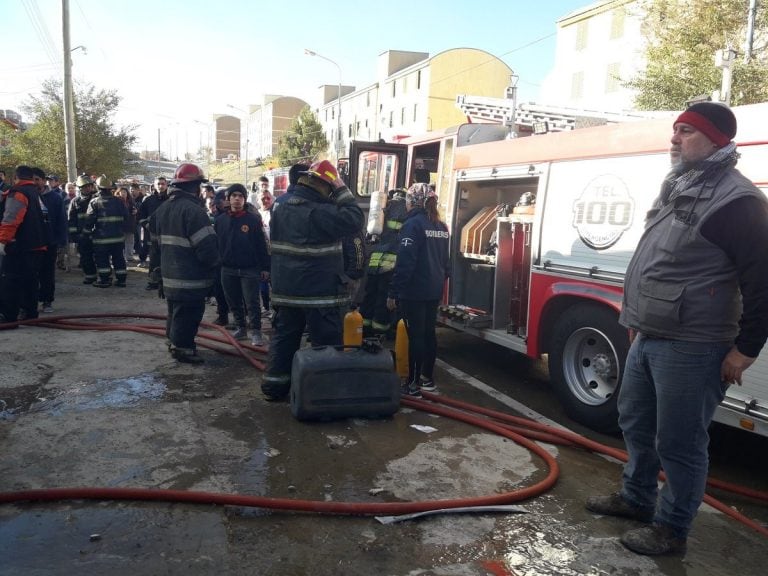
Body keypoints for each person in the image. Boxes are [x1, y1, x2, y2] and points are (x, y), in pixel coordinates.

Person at [585, 102, 768, 556]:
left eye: (685, 131)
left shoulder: (737, 201)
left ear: (716, 140)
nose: (674, 139)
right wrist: (635, 321)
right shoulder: (681, 186)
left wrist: (745, 349)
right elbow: (661, 263)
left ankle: (671, 529)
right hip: (650, 335)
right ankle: (636, 498)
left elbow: (762, 280)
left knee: (680, 444)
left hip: (695, 345)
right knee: (635, 422)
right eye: (675, 130)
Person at [262, 160, 364, 400]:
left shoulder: (280, 206)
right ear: (323, 184)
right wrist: (340, 188)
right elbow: (355, 219)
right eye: (329, 186)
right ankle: (323, 392)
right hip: (320, 293)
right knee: (326, 346)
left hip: (286, 290)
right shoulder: (321, 212)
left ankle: (274, 387)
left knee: (284, 340)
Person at [148, 163, 220, 364]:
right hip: (190, 277)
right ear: (195, 187)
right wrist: (215, 267)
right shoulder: (194, 212)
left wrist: (157, 273)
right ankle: (183, 349)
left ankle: (173, 342)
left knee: (175, 310)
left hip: (168, 275)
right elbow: (206, 249)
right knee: (189, 313)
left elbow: (154, 247)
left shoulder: (161, 210)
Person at [386, 182, 450, 397]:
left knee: (416, 336)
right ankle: (427, 379)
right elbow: (447, 264)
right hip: (434, 289)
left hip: (415, 290)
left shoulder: (413, 225)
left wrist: (394, 292)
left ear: (413, 201)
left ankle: (412, 384)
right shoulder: (441, 226)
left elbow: (405, 263)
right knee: (429, 333)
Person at [214, 183, 270, 346]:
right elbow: (216, 244)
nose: (237, 199)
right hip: (227, 268)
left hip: (249, 269)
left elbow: (261, 244)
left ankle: (256, 331)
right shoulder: (221, 220)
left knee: (252, 302)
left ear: (244, 199)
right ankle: (241, 327)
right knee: (233, 300)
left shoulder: (252, 220)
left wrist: (265, 267)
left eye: (240, 196)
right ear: (228, 199)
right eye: (234, 196)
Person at [0, 165, 49, 324]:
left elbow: (11, 219)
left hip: (20, 246)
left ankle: (9, 316)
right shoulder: (35, 193)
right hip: (37, 245)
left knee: (11, 280)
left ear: (16, 177)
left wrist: (2, 241)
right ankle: (30, 314)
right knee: (30, 281)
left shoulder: (19, 193)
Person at [361, 188, 407, 338]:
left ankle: (364, 330)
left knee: (370, 295)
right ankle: (379, 333)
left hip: (376, 259)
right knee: (383, 298)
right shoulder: (404, 209)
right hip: (390, 260)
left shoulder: (384, 206)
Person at [84, 176, 129, 288]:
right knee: (119, 259)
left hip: (101, 239)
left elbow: (89, 221)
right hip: (118, 238)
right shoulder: (119, 201)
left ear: (98, 188)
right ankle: (121, 280)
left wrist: (86, 233)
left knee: (102, 259)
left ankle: (104, 280)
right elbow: (126, 217)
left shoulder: (94, 202)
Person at [37, 168, 67, 312]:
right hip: (32, 243)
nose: (35, 183)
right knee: (30, 274)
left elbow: (61, 220)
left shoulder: (55, 198)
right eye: (33, 179)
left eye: (38, 179)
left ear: (43, 181)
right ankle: (30, 303)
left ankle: (47, 301)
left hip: (50, 242)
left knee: (47, 273)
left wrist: (61, 240)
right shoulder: (27, 196)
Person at [138, 176, 169, 285]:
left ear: (166, 185)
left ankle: (167, 282)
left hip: (169, 235)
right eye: (158, 184)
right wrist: (146, 225)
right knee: (154, 259)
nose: (161, 186)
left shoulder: (171, 200)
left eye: (163, 184)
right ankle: (153, 281)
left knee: (168, 259)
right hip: (153, 235)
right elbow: (140, 215)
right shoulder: (149, 200)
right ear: (154, 186)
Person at [67, 174, 98, 284]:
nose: (88, 188)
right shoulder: (75, 201)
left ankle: (101, 276)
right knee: (85, 256)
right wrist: (74, 235)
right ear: (80, 188)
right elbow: (71, 219)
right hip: (82, 235)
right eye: (85, 186)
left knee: (99, 256)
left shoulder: (97, 199)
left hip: (96, 233)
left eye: (89, 186)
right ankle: (90, 276)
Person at [257, 185, 274, 315]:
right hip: (262, 254)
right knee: (263, 283)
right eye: (263, 199)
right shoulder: (256, 215)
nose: (266, 201)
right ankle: (266, 307)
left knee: (275, 283)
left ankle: (275, 309)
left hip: (275, 254)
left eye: (268, 198)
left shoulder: (275, 213)